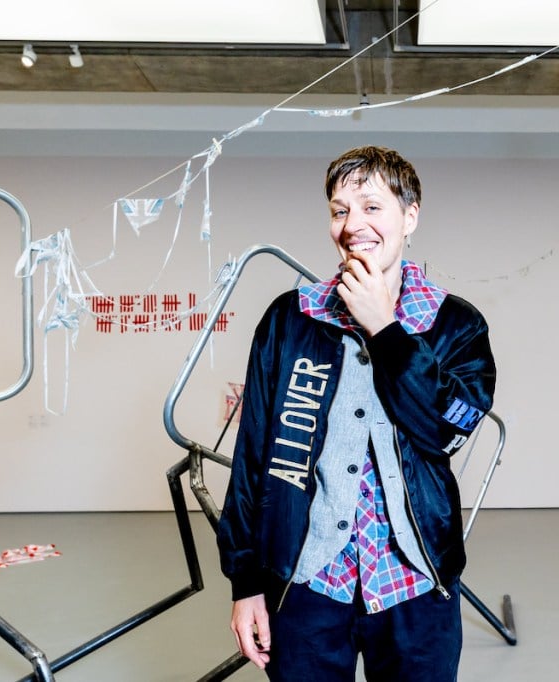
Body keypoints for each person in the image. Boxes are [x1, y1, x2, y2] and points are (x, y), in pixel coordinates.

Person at [216, 145, 496, 681]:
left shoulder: (456, 326)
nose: (352, 226)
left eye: (371, 207)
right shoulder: (290, 319)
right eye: (339, 210)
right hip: (305, 582)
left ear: (410, 216)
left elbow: (444, 430)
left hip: (415, 586)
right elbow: (252, 457)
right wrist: (245, 582)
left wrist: (386, 331)